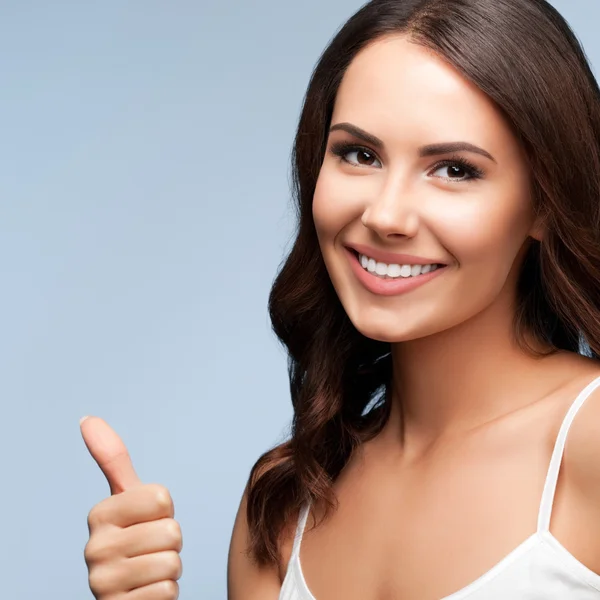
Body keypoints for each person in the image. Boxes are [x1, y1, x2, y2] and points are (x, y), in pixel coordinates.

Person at [81, 0, 600, 598]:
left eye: (454, 169)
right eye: (360, 155)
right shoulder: (283, 498)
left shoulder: (587, 445)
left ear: (543, 203)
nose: (384, 215)